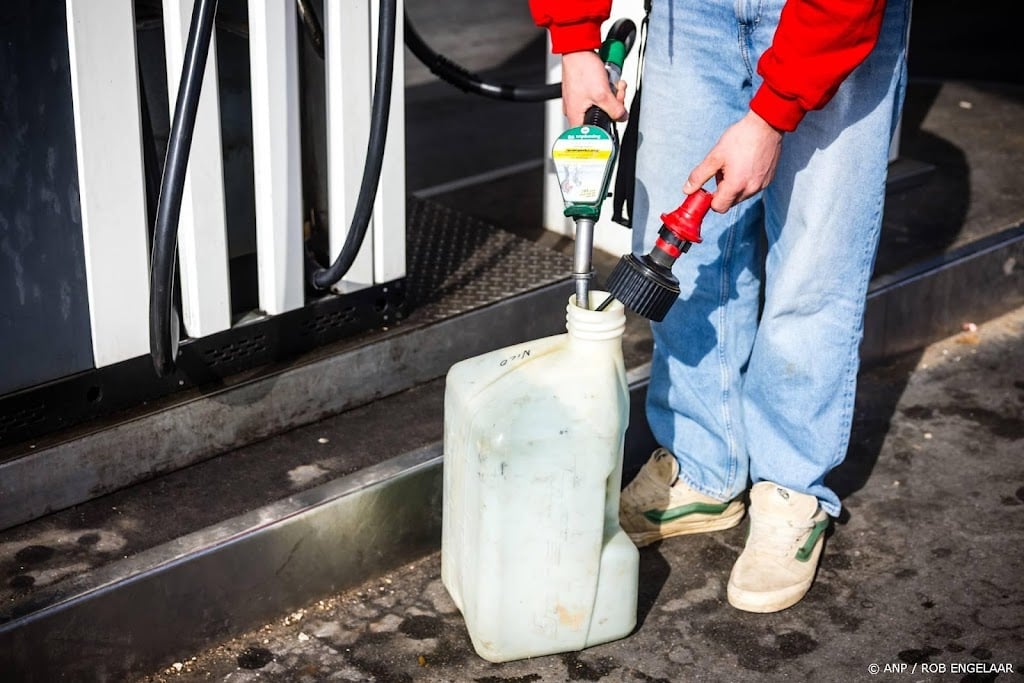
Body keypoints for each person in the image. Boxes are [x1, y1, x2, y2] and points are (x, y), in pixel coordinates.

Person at [529, 0, 911, 613]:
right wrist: (575, 42)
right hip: (694, 18)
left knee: (814, 272)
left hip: (832, 21)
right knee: (690, 259)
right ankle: (703, 466)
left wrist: (772, 114)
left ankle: (791, 488)